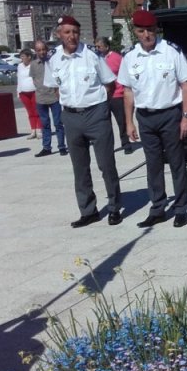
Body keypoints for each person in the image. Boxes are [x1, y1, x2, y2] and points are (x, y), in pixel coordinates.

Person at [118, 10, 187, 228]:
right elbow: (127, 91)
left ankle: (181, 208)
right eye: (141, 31)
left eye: (150, 30)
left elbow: (186, 85)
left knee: (176, 163)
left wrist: (186, 117)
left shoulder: (171, 51)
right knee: (153, 165)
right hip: (145, 117)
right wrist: (129, 122)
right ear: (135, 32)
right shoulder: (130, 57)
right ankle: (158, 208)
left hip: (170, 115)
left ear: (156, 30)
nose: (147, 35)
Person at [44, 16, 122, 228]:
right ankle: (88, 211)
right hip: (71, 116)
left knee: (106, 164)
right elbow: (55, 87)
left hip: (96, 114)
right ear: (59, 34)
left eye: (75, 32)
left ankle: (114, 208)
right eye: (67, 32)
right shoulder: (53, 58)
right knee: (80, 168)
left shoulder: (92, 54)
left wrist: (101, 107)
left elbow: (109, 83)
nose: (72, 36)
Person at [95, 36, 132, 154]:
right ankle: (108, 146)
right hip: (103, 96)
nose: (97, 49)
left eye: (99, 46)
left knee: (121, 121)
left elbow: (125, 74)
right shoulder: (96, 58)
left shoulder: (117, 58)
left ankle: (126, 143)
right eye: (96, 46)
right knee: (105, 123)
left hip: (117, 95)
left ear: (106, 47)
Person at [31, 40, 67, 157]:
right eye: (39, 50)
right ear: (36, 51)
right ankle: (46, 147)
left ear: (47, 50)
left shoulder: (53, 62)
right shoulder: (33, 64)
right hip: (41, 98)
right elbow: (34, 79)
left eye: (43, 49)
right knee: (45, 124)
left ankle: (62, 146)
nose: (42, 52)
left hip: (54, 97)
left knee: (58, 123)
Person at [16, 49, 42, 140]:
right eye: (21, 56)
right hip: (23, 92)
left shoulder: (34, 65)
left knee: (37, 111)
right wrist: (18, 91)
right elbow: (19, 79)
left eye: (23, 56)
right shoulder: (20, 66)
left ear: (29, 57)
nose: (21, 58)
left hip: (34, 91)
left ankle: (39, 130)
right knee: (30, 112)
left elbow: (38, 78)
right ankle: (33, 130)